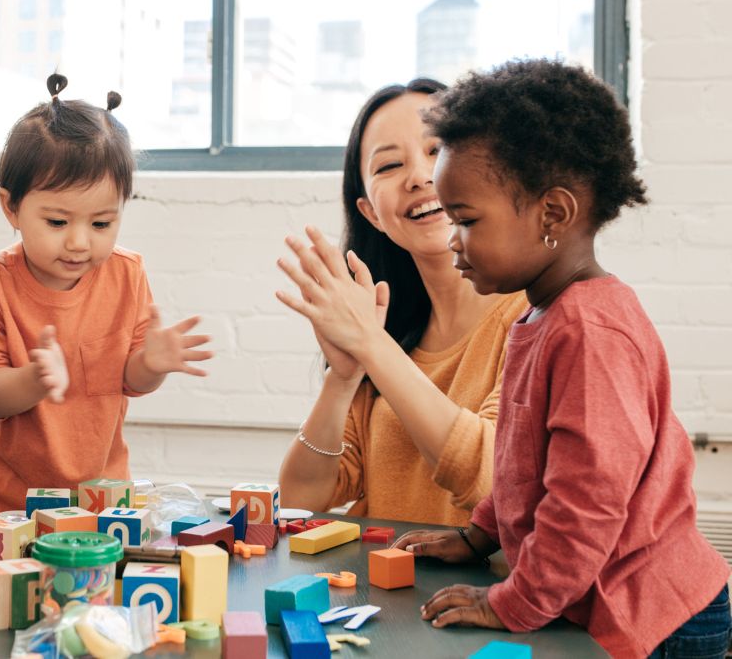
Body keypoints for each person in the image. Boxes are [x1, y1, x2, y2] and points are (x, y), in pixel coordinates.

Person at [387, 59, 731, 658]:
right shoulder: (542, 314)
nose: (452, 240)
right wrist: (480, 534)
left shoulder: (590, 331)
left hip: (653, 617)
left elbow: (586, 504)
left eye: (466, 220)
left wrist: (511, 602)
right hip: (592, 601)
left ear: (553, 214)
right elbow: (526, 462)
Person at [0, 74, 213, 520]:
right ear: (11, 208)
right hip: (7, 505)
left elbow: (130, 381)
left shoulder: (127, 274)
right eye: (57, 222)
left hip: (104, 500)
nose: (80, 243)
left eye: (101, 224)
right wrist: (33, 381)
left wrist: (151, 365)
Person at [277, 80, 526, 526]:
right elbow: (300, 499)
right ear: (371, 213)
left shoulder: (531, 318)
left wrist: (371, 344)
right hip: (385, 594)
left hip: (481, 597)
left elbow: (492, 481)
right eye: (390, 165)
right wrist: (344, 377)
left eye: (437, 150)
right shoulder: (389, 332)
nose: (418, 176)